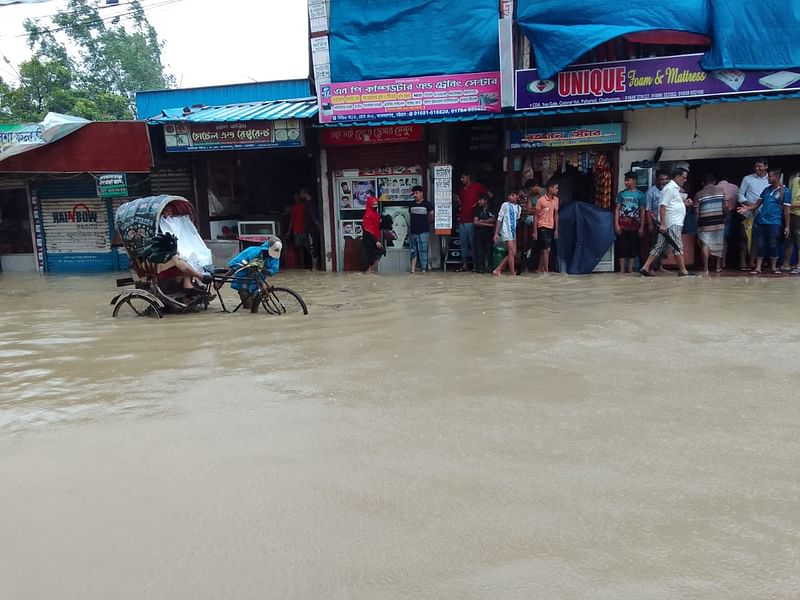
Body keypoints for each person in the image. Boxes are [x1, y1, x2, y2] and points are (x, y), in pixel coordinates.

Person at [640, 167, 695, 277]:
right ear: (678, 177)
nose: (685, 180)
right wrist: (663, 224)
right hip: (671, 223)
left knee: (659, 246)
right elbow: (663, 206)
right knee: (677, 246)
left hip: (671, 222)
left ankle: (645, 267)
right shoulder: (670, 188)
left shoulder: (674, 188)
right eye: (683, 178)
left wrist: (685, 203)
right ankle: (683, 270)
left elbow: (673, 203)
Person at [738, 167, 791, 275]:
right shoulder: (766, 190)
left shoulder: (785, 191)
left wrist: (787, 226)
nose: (768, 178)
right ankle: (758, 267)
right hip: (761, 221)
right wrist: (747, 208)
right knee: (760, 244)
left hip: (774, 222)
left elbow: (786, 210)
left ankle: (773, 267)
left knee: (773, 244)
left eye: (770, 176)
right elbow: (757, 204)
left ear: (776, 177)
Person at [215, 238, 282, 309]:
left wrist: (261, 268)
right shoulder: (251, 251)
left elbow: (272, 271)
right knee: (248, 306)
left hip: (257, 283)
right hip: (243, 281)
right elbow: (235, 266)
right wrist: (221, 283)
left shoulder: (274, 258)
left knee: (255, 306)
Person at [738, 159, 770, 270]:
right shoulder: (747, 179)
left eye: (760, 166)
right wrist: (750, 206)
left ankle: (752, 262)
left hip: (763, 214)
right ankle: (743, 263)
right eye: (755, 166)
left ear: (766, 166)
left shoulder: (770, 179)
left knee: (758, 239)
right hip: (747, 213)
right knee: (744, 238)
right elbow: (740, 195)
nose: (757, 168)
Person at [456, 172, 489, 272]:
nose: (461, 180)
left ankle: (475, 266)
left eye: (463, 177)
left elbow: (489, 195)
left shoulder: (477, 186)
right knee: (463, 244)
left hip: (472, 220)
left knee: (473, 244)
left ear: (468, 177)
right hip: (462, 220)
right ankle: (464, 265)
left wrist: (479, 204)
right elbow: (462, 202)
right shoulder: (461, 190)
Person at [614, 171, 646, 273]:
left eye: (628, 180)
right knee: (621, 247)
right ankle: (622, 269)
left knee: (633, 247)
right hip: (622, 226)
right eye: (625, 180)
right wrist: (617, 224)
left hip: (635, 226)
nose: (626, 182)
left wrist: (641, 227)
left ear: (634, 181)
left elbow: (642, 211)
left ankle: (630, 269)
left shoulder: (641, 195)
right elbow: (617, 209)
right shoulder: (622, 194)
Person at [695, 174, 727, 275]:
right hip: (719, 221)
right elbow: (726, 206)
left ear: (703, 183)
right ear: (714, 182)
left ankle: (706, 269)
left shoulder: (698, 194)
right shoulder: (722, 191)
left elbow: (696, 212)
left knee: (705, 244)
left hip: (704, 223)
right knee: (719, 244)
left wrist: (697, 222)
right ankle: (717, 267)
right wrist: (725, 216)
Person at [645, 170, 671, 273]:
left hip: (667, 221)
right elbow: (648, 209)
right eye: (662, 179)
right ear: (657, 180)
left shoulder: (668, 190)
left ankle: (660, 267)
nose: (664, 181)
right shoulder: (651, 192)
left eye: (666, 179)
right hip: (656, 222)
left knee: (664, 246)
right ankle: (651, 268)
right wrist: (650, 224)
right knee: (655, 245)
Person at [492, 191, 522, 276]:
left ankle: (498, 269)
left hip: (513, 232)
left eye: (513, 195)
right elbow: (499, 219)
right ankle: (512, 273)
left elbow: (517, 221)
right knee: (511, 252)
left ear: (517, 196)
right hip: (506, 231)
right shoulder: (505, 205)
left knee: (513, 252)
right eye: (509, 195)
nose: (511, 197)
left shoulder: (519, 208)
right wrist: (496, 233)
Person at [533, 180, 560, 273]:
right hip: (542, 226)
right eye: (556, 188)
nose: (557, 190)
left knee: (544, 249)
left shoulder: (556, 200)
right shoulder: (541, 200)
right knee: (547, 249)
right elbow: (535, 216)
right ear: (550, 188)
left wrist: (556, 229)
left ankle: (539, 269)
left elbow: (556, 215)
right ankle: (546, 270)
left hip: (551, 226)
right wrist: (535, 231)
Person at [408, 185, 433, 273]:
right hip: (413, 231)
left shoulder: (427, 204)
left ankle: (423, 269)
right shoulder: (411, 205)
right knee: (413, 251)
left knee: (423, 250)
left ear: (421, 193)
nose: (415, 195)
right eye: (414, 193)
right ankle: (412, 270)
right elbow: (410, 217)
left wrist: (428, 223)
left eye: (416, 193)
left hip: (423, 231)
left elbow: (431, 215)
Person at [718, 177, 740, 269]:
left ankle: (720, 262)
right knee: (728, 239)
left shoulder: (717, 187)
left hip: (720, 213)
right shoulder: (735, 187)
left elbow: (725, 204)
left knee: (720, 239)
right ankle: (725, 262)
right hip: (733, 214)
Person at [473, 193, 495, 273]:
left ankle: (490, 268)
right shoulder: (478, 209)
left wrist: (482, 221)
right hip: (479, 234)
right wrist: (488, 224)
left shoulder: (491, 209)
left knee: (489, 251)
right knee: (480, 252)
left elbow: (493, 219)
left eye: (480, 200)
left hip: (489, 234)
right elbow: (475, 222)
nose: (479, 201)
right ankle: (480, 268)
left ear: (486, 201)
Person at [361, 195, 383, 272]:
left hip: (375, 238)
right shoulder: (367, 215)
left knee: (379, 252)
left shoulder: (376, 214)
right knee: (371, 256)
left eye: (376, 204)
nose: (375, 206)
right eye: (373, 204)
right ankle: (370, 271)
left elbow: (377, 226)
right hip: (369, 240)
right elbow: (368, 229)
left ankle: (372, 271)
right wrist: (375, 241)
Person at [783, 172, 800, 273]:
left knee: (799, 239)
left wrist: (791, 205)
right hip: (791, 214)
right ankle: (786, 264)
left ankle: (799, 265)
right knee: (789, 238)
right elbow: (789, 195)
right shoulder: (795, 180)